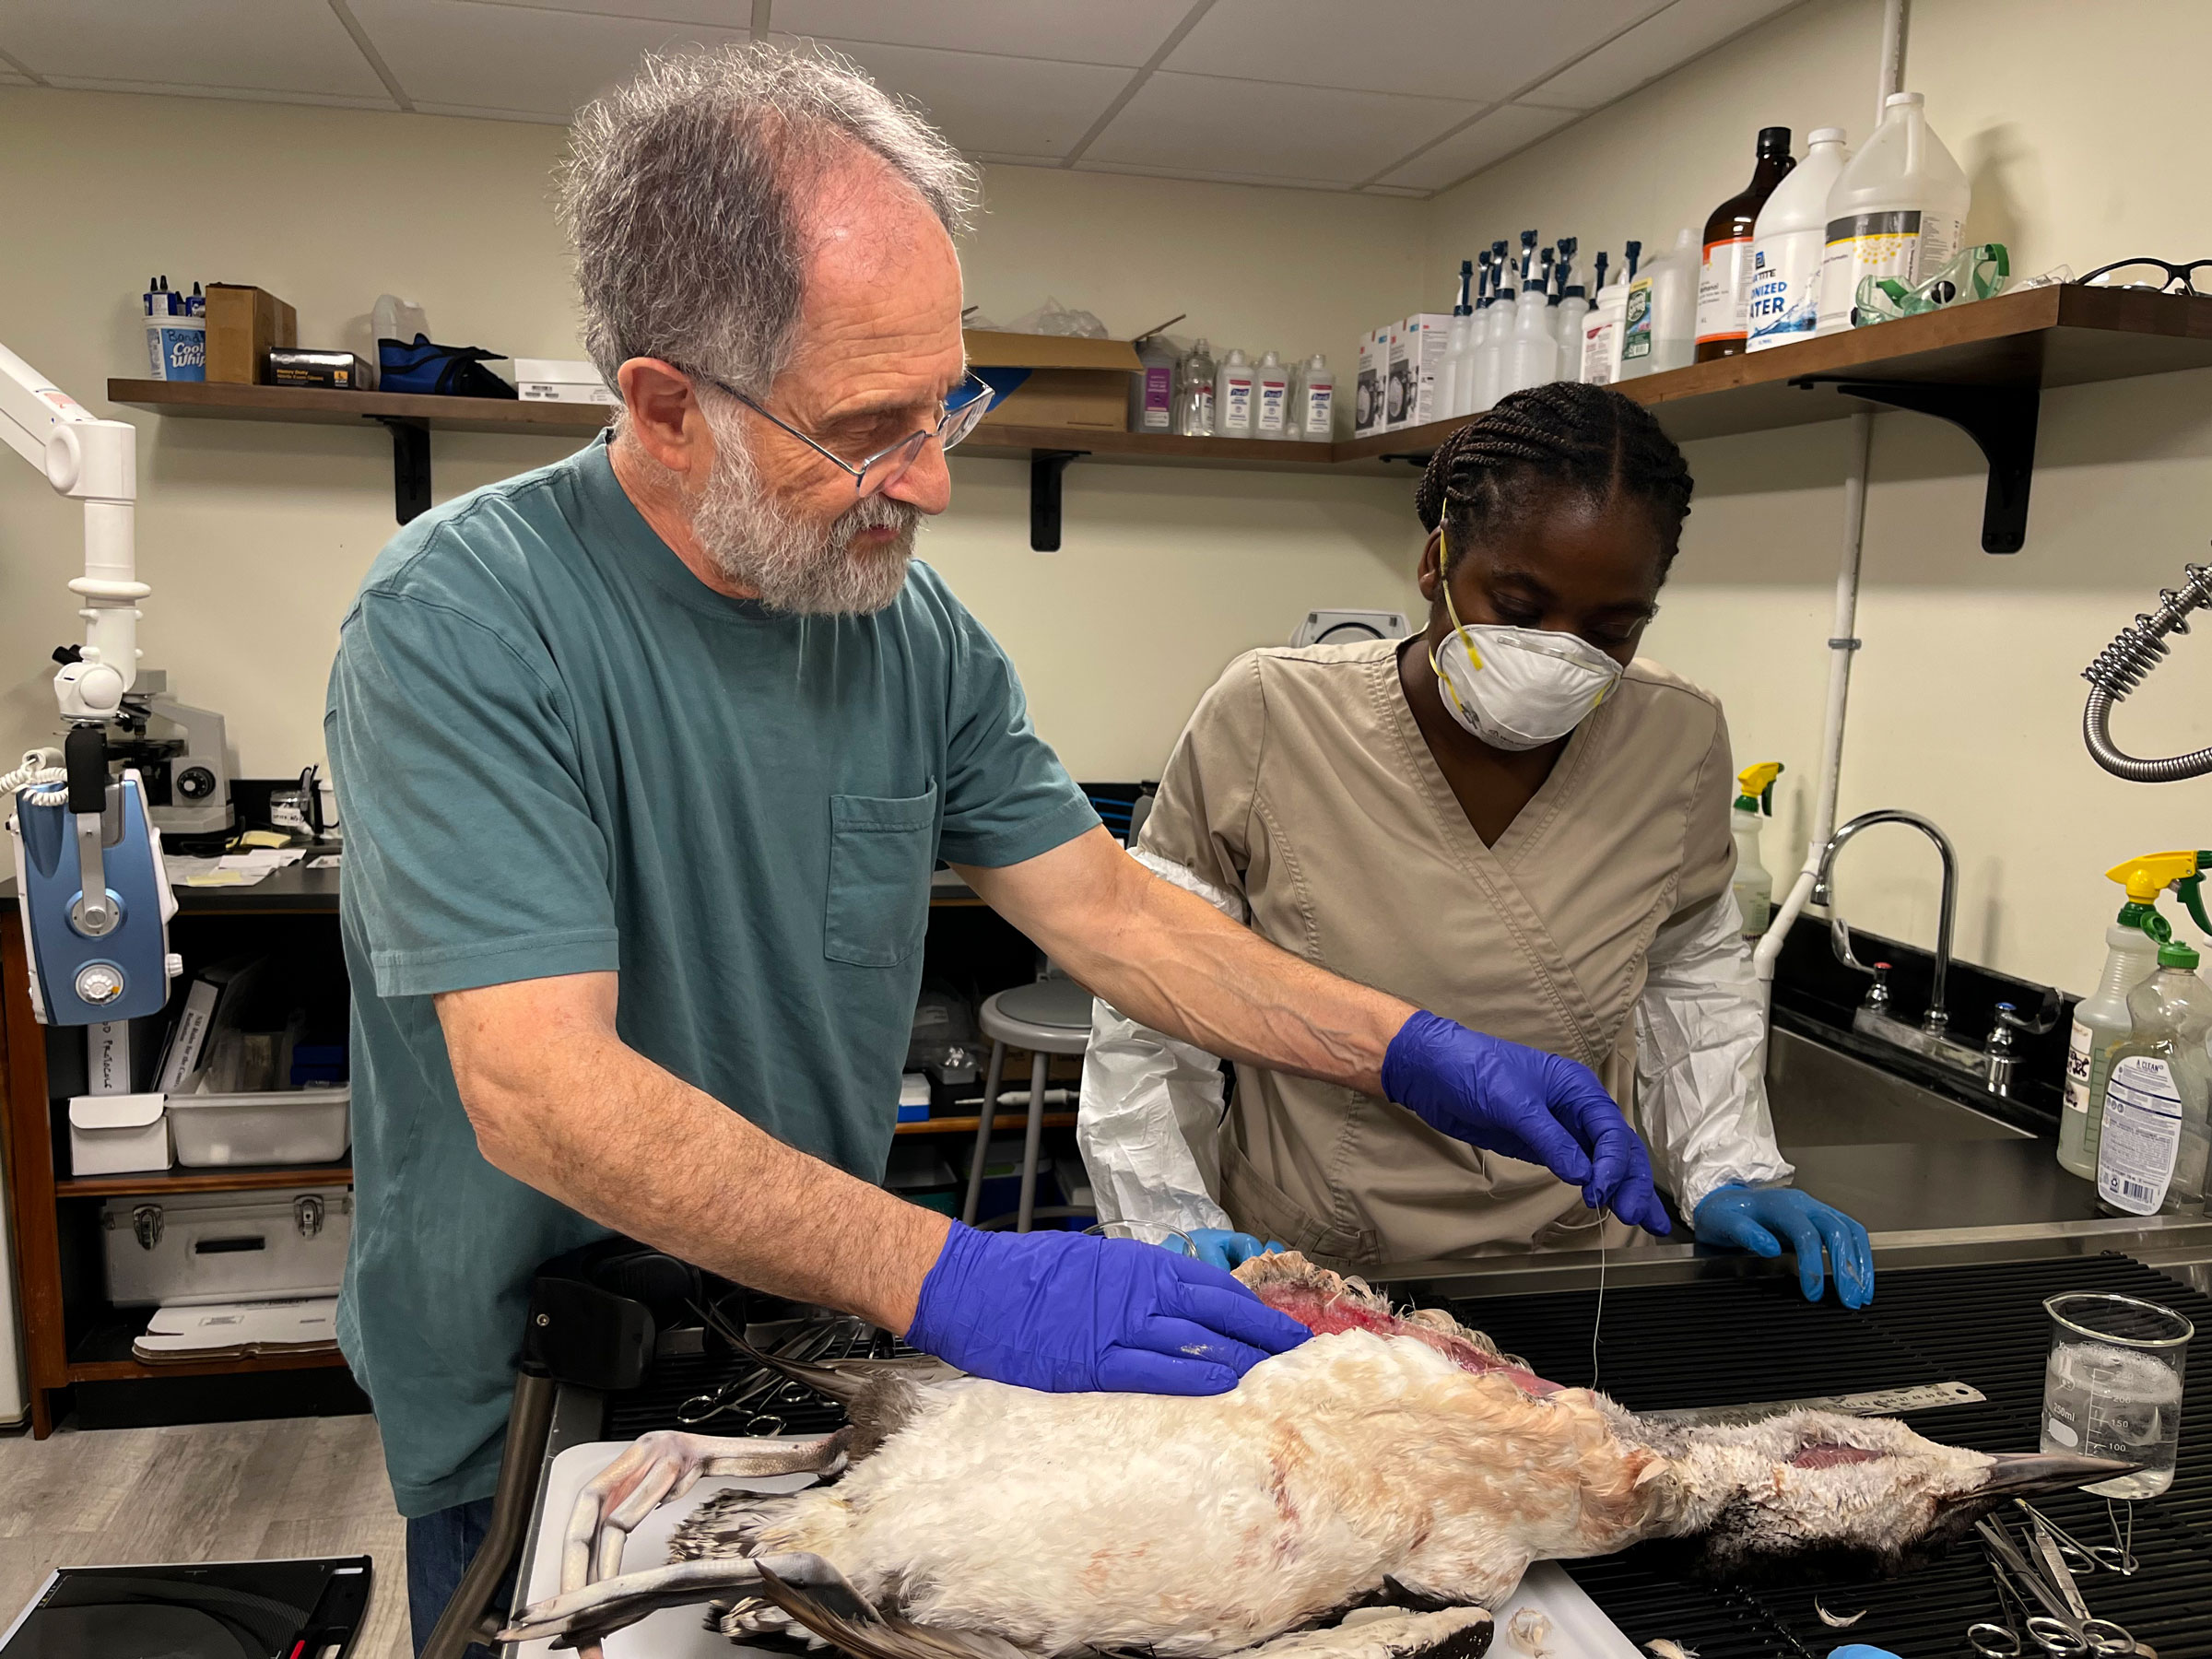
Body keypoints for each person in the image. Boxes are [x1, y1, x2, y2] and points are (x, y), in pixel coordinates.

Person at [323, 48, 1672, 1653]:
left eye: (948, 399)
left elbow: (1106, 910)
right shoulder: (464, 621)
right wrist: (972, 1276)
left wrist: (1412, 1050)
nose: (937, 479)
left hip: (812, 1329)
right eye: (869, 427)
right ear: (668, 409)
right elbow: (543, 1091)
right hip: (547, 1380)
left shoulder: (902, 626)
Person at [1079, 383, 1875, 1302]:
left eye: (1612, 629)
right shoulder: (1272, 713)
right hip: (1318, 1268)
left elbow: (1690, 967)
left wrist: (1728, 1165)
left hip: (1573, 1260)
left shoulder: (1677, 736)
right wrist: (1168, 1218)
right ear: (1436, 562)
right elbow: (1158, 992)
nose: (1559, 653)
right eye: (1520, 605)